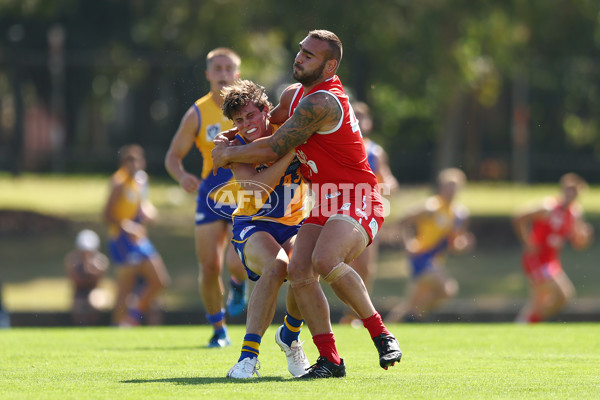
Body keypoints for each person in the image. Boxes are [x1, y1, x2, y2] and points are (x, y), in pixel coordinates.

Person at [212, 30, 402, 379]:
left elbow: (273, 147)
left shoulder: (322, 102)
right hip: (316, 205)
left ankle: (381, 334)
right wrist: (233, 140)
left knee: (324, 260)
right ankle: (328, 359)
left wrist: (228, 152)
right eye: (300, 50)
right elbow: (270, 133)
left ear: (330, 65)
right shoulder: (294, 94)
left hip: (357, 194)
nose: (299, 57)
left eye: (309, 55)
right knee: (297, 270)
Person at [219, 80, 310, 379]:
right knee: (276, 265)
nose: (246, 125)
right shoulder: (234, 147)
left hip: (295, 222)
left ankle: (290, 336)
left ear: (266, 110)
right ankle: (247, 357)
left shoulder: (288, 125)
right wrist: (288, 153)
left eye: (250, 116)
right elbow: (256, 191)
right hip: (253, 223)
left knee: (304, 268)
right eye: (239, 121)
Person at [165, 47, 248, 347]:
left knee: (236, 262)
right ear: (208, 75)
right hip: (211, 194)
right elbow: (172, 157)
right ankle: (219, 329)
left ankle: (238, 284)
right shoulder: (197, 113)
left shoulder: (251, 108)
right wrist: (182, 175)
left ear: (237, 74)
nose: (224, 74)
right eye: (218, 68)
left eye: (229, 68)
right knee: (210, 266)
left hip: (246, 193)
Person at [385, 168, 475, 323]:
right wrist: (407, 243)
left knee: (411, 303)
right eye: (449, 186)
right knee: (447, 289)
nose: (452, 190)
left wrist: (463, 244)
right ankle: (415, 317)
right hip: (421, 256)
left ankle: (395, 326)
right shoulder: (431, 207)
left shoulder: (459, 214)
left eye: (455, 186)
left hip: (435, 260)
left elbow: (454, 244)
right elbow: (403, 221)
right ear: (441, 187)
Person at [340, 101, 399, 326]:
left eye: (364, 116)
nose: (360, 120)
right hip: (340, 207)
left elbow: (386, 177)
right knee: (335, 262)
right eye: (355, 115)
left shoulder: (375, 151)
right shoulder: (339, 143)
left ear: (370, 122)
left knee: (365, 266)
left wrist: (390, 185)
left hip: (367, 211)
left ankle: (354, 314)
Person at [512, 173, 594, 323]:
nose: (571, 194)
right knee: (561, 294)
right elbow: (519, 216)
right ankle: (528, 322)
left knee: (547, 300)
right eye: (569, 189)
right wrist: (527, 242)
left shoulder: (574, 214)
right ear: (563, 189)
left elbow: (578, 244)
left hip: (551, 262)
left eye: (575, 191)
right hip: (535, 259)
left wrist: (585, 237)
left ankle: (526, 324)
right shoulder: (548, 207)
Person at [104, 144, 171, 326]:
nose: (134, 165)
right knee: (125, 287)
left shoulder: (141, 181)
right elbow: (107, 215)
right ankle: (117, 326)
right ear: (123, 164)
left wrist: (150, 212)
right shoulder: (118, 183)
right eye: (129, 161)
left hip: (139, 238)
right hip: (121, 239)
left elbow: (142, 205)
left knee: (160, 281)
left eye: (137, 161)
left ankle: (132, 316)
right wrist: (128, 227)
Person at [64, 229, 109, 325]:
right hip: (79, 292)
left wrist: (88, 265)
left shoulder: (101, 261)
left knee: (95, 302)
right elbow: (77, 282)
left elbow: (96, 281)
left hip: (94, 290)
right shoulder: (72, 260)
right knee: (78, 305)